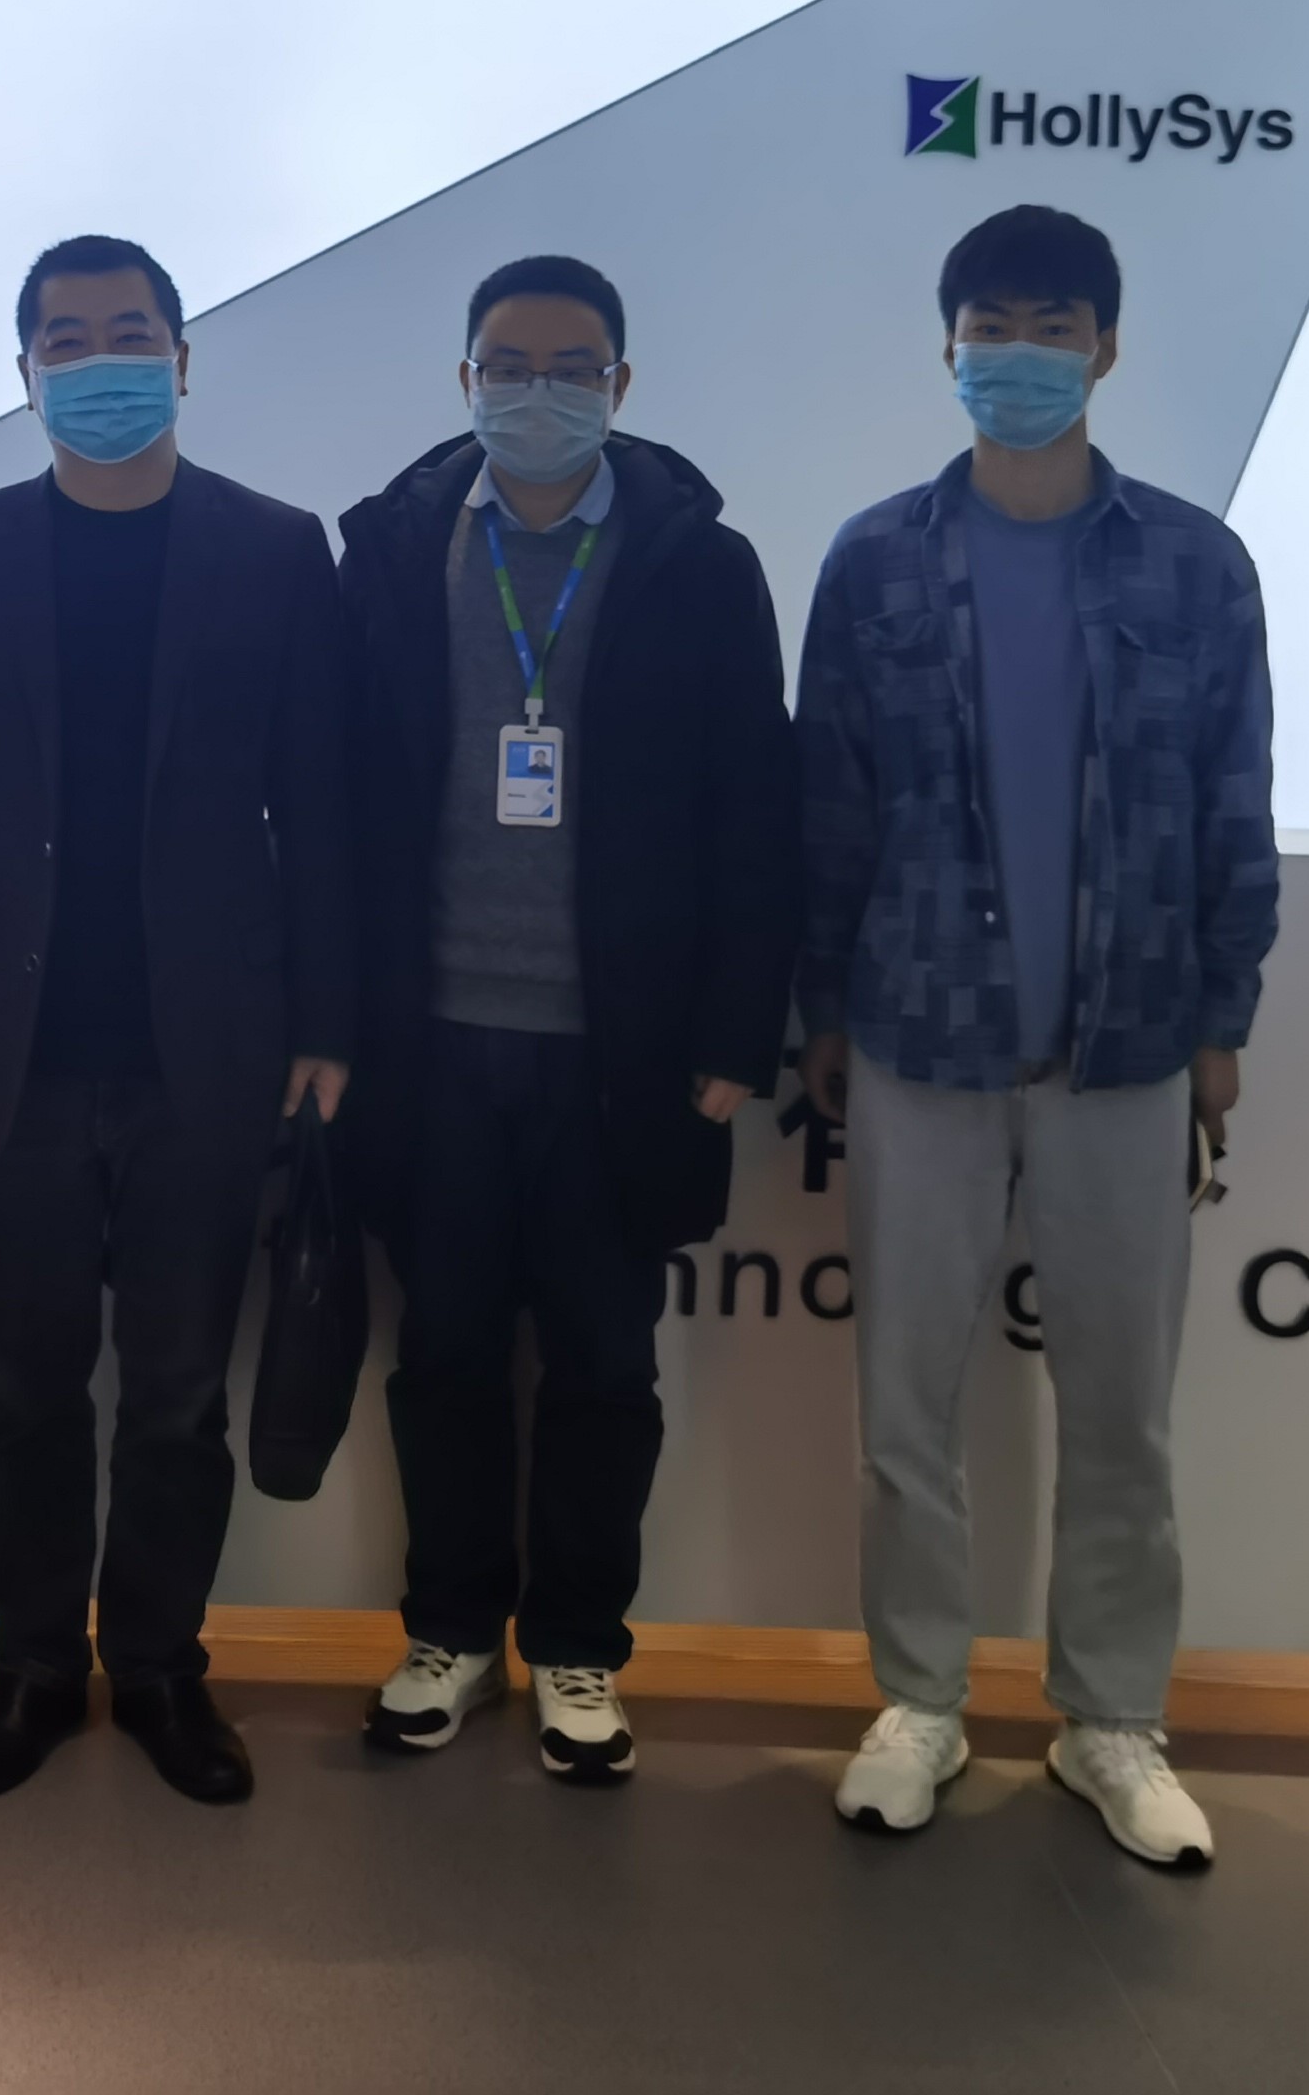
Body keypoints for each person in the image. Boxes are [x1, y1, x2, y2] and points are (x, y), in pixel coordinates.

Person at [799, 204, 1275, 1870]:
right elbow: (827, 807)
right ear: (948, 347)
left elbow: (1235, 801)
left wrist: (1222, 1020)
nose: (1019, 353)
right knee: (904, 1409)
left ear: (1106, 348)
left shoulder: (1195, 565)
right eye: (990, 325)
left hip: (1128, 1043)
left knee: (1123, 1412)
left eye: (1052, 325)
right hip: (917, 1035)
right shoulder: (872, 560)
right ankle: (919, 1702)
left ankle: (1111, 1721)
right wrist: (819, 1011)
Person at [0, 233, 356, 1806]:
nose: (100, 364)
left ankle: (156, 1667)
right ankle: (28, 1665)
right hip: (10, 1051)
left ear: (184, 360)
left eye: (129, 335)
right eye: (66, 342)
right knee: (23, 1396)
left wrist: (327, 1019)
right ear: (25, 376)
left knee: (178, 1398)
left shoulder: (277, 551)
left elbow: (320, 806)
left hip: (208, 1045)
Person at [335, 255, 796, 1783]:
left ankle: (583, 1647)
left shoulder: (699, 565)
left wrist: (733, 1039)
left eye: (573, 367)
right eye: (509, 366)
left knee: (604, 1369)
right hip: (433, 1043)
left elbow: (756, 809)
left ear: (622, 385)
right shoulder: (393, 550)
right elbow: (338, 805)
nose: (540, 393)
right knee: (447, 1361)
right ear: (465, 380)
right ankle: (452, 1634)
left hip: (625, 1054)